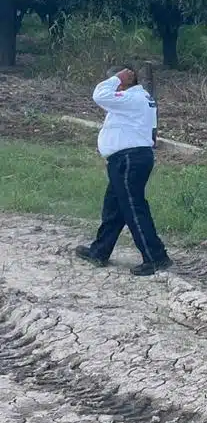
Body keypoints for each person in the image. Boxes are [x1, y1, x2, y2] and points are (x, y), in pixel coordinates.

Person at [75, 65, 173, 276]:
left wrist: (118, 78)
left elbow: (99, 95)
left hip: (129, 159)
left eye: (116, 81)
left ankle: (156, 257)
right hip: (128, 158)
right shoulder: (138, 99)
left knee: (133, 208)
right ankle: (99, 251)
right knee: (114, 208)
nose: (113, 85)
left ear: (125, 81)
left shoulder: (133, 98)